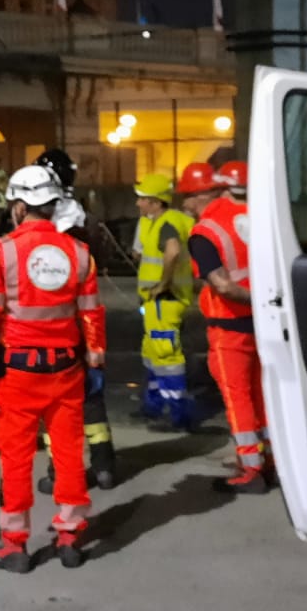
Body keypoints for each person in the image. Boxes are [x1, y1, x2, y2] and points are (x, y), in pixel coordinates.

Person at [0, 165, 106, 572]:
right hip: (67, 372)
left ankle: (15, 545)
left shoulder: (1, 252)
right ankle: (70, 537)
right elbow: (92, 315)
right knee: (68, 454)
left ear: (20, 207)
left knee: (16, 458)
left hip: (18, 374)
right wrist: (96, 362)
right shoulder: (79, 254)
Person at [180, 160, 270, 494]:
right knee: (262, 391)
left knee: (237, 396)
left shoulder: (205, 232)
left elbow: (224, 286)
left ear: (202, 195)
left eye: (187, 197)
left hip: (230, 325)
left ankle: (250, 469)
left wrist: (252, 299)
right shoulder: (255, 215)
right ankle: (270, 458)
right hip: (265, 321)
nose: (185, 205)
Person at [33, 147, 117, 489]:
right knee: (91, 399)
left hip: (54, 325)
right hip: (86, 319)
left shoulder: (47, 223)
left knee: (55, 404)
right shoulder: (84, 217)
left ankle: (60, 473)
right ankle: (104, 466)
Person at [131, 172, 197, 429]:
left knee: (166, 356)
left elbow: (172, 251)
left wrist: (163, 284)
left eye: (143, 199)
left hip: (164, 301)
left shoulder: (165, 224)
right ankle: (155, 404)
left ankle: (177, 413)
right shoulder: (166, 221)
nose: (138, 204)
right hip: (158, 302)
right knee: (152, 353)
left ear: (156, 202)